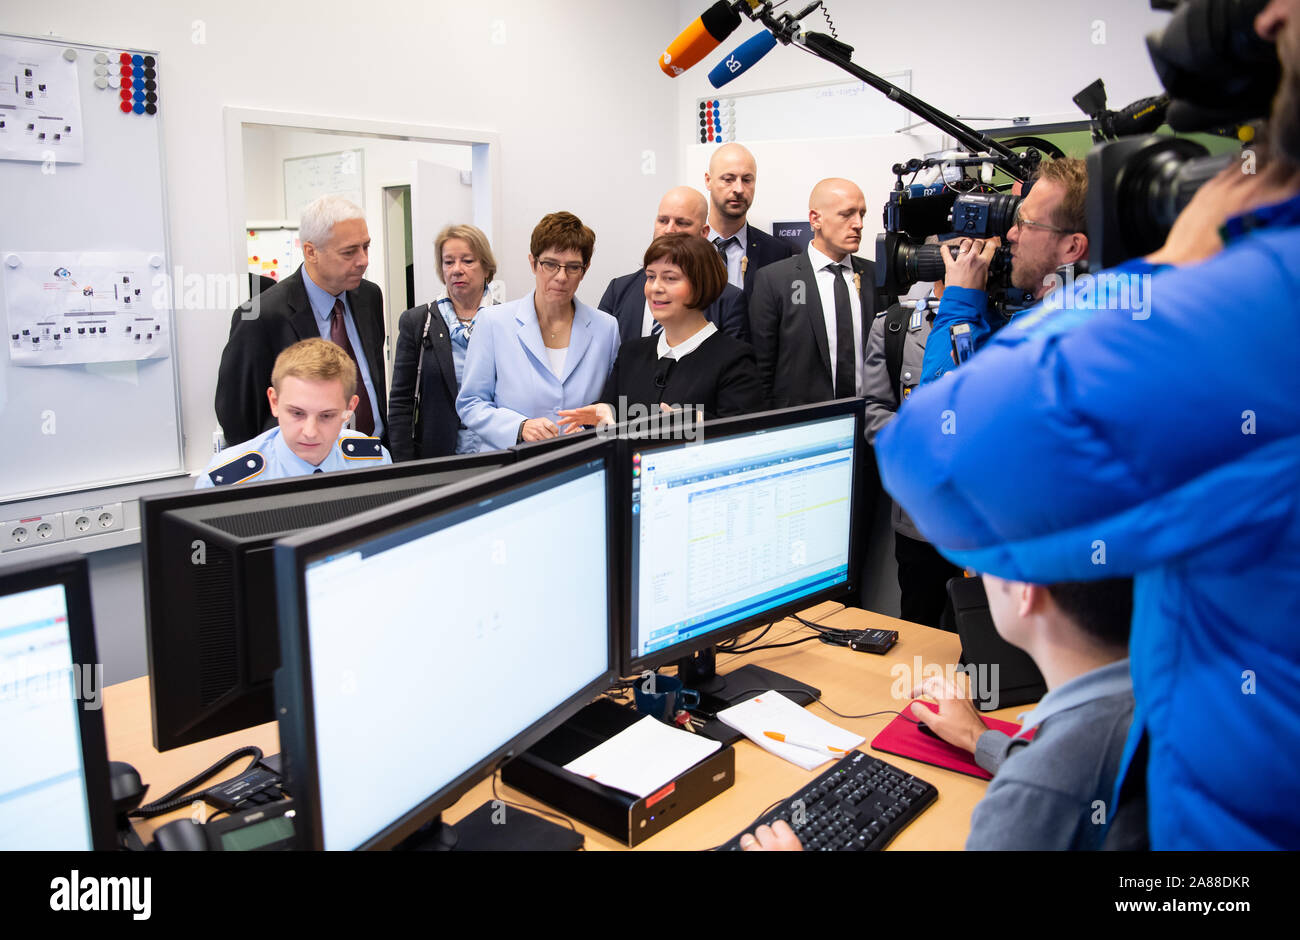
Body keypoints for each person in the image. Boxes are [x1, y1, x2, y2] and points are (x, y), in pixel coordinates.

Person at [875, 0, 1300, 850]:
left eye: (1022, 221)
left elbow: (928, 454)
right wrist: (993, 740)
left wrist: (1176, 266)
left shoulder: (1248, 303)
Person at [741, 577, 1144, 851]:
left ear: (1026, 592)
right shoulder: (1148, 700)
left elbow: (1059, 781)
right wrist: (976, 739)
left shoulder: (1045, 785)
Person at [216, 194, 387, 447]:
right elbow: (238, 419)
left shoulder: (369, 297)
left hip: (371, 456)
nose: (363, 260)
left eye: (366, 246)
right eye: (349, 252)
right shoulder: (261, 317)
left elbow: (373, 382)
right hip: (299, 471)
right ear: (311, 251)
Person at [559, 233, 762, 432]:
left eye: (670, 278)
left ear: (702, 284)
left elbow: (742, 438)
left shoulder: (735, 360)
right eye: (650, 277)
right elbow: (613, 424)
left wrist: (697, 422)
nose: (655, 287)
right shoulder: (631, 353)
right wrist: (605, 414)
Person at [456, 212, 619, 449]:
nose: (561, 277)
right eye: (550, 264)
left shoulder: (606, 328)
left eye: (573, 267)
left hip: (581, 464)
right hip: (514, 465)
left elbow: (611, 402)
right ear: (533, 263)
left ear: (585, 269)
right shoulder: (494, 322)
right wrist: (519, 427)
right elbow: (471, 403)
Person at [920, 157, 1089, 385]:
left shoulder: (1039, 342)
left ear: (1072, 247)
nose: (1010, 235)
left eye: (1025, 224)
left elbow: (936, 410)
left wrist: (960, 304)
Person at [861, 270, 962, 629]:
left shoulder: (1009, 321)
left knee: (988, 641)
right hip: (921, 517)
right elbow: (875, 413)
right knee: (922, 627)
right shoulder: (896, 325)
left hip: (992, 519)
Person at [749, 178, 886, 410]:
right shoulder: (775, 280)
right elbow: (762, 369)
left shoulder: (877, 277)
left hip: (870, 425)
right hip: (802, 429)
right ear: (815, 219)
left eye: (862, 214)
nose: (859, 224)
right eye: (847, 214)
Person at [197, 338, 390, 488]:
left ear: (349, 409)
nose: (310, 432)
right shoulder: (227, 479)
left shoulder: (373, 460)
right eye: (297, 413)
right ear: (274, 402)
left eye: (326, 415)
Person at [388, 224, 498, 460]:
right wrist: (404, 466)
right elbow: (400, 403)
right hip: (437, 458)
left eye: (467, 261)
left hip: (494, 453)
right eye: (449, 262)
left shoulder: (506, 320)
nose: (457, 270)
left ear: (486, 267)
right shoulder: (418, 321)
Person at [598, 186, 750, 344]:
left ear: (704, 233)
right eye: (663, 221)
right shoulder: (619, 289)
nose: (669, 230)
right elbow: (602, 355)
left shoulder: (728, 299)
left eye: (682, 223)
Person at [703, 143, 793, 298]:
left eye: (746, 180)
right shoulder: (684, 246)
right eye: (728, 179)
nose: (739, 189)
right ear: (708, 180)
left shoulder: (776, 252)